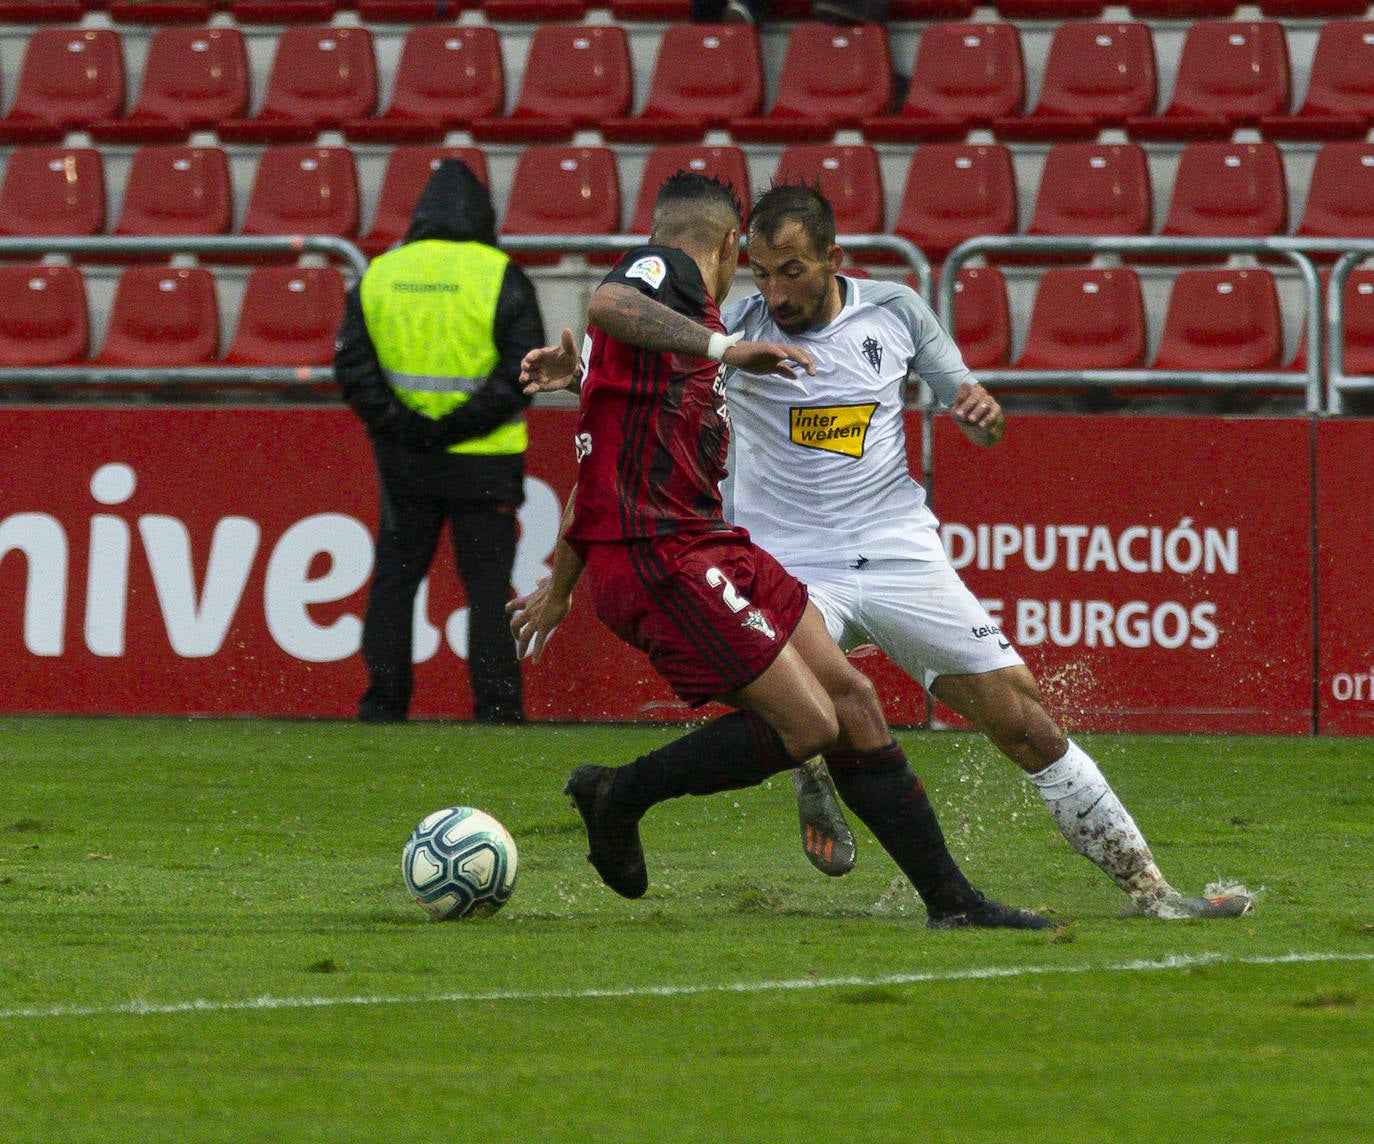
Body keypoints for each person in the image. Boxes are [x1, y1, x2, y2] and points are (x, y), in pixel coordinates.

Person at [509, 171, 1050, 930]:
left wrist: (560, 585)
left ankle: (953, 905)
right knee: (810, 726)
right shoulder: (671, 285)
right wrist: (724, 346)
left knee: (854, 701)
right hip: (661, 559)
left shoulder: (665, 337)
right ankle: (618, 793)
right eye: (751, 264)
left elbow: (596, 464)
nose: (754, 284)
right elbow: (606, 302)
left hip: (712, 545)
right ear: (731, 243)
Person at [720, 182, 1253, 920]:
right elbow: (639, 364)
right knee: (813, 698)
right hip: (787, 563)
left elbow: (978, 419)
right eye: (762, 273)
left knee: (1027, 723)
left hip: (899, 551)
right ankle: (807, 761)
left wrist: (983, 416)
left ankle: (1153, 892)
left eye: (793, 272)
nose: (775, 293)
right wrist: (577, 370)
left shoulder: (895, 312)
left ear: (834, 258)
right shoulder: (730, 329)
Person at [334, 159, 544, 725]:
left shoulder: (380, 273)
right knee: (488, 589)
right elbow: (525, 371)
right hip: (486, 461)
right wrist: (457, 426)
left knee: (395, 582)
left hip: (406, 460)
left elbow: (353, 368)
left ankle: (382, 705)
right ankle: (498, 710)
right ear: (481, 214)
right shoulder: (501, 273)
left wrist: (411, 428)